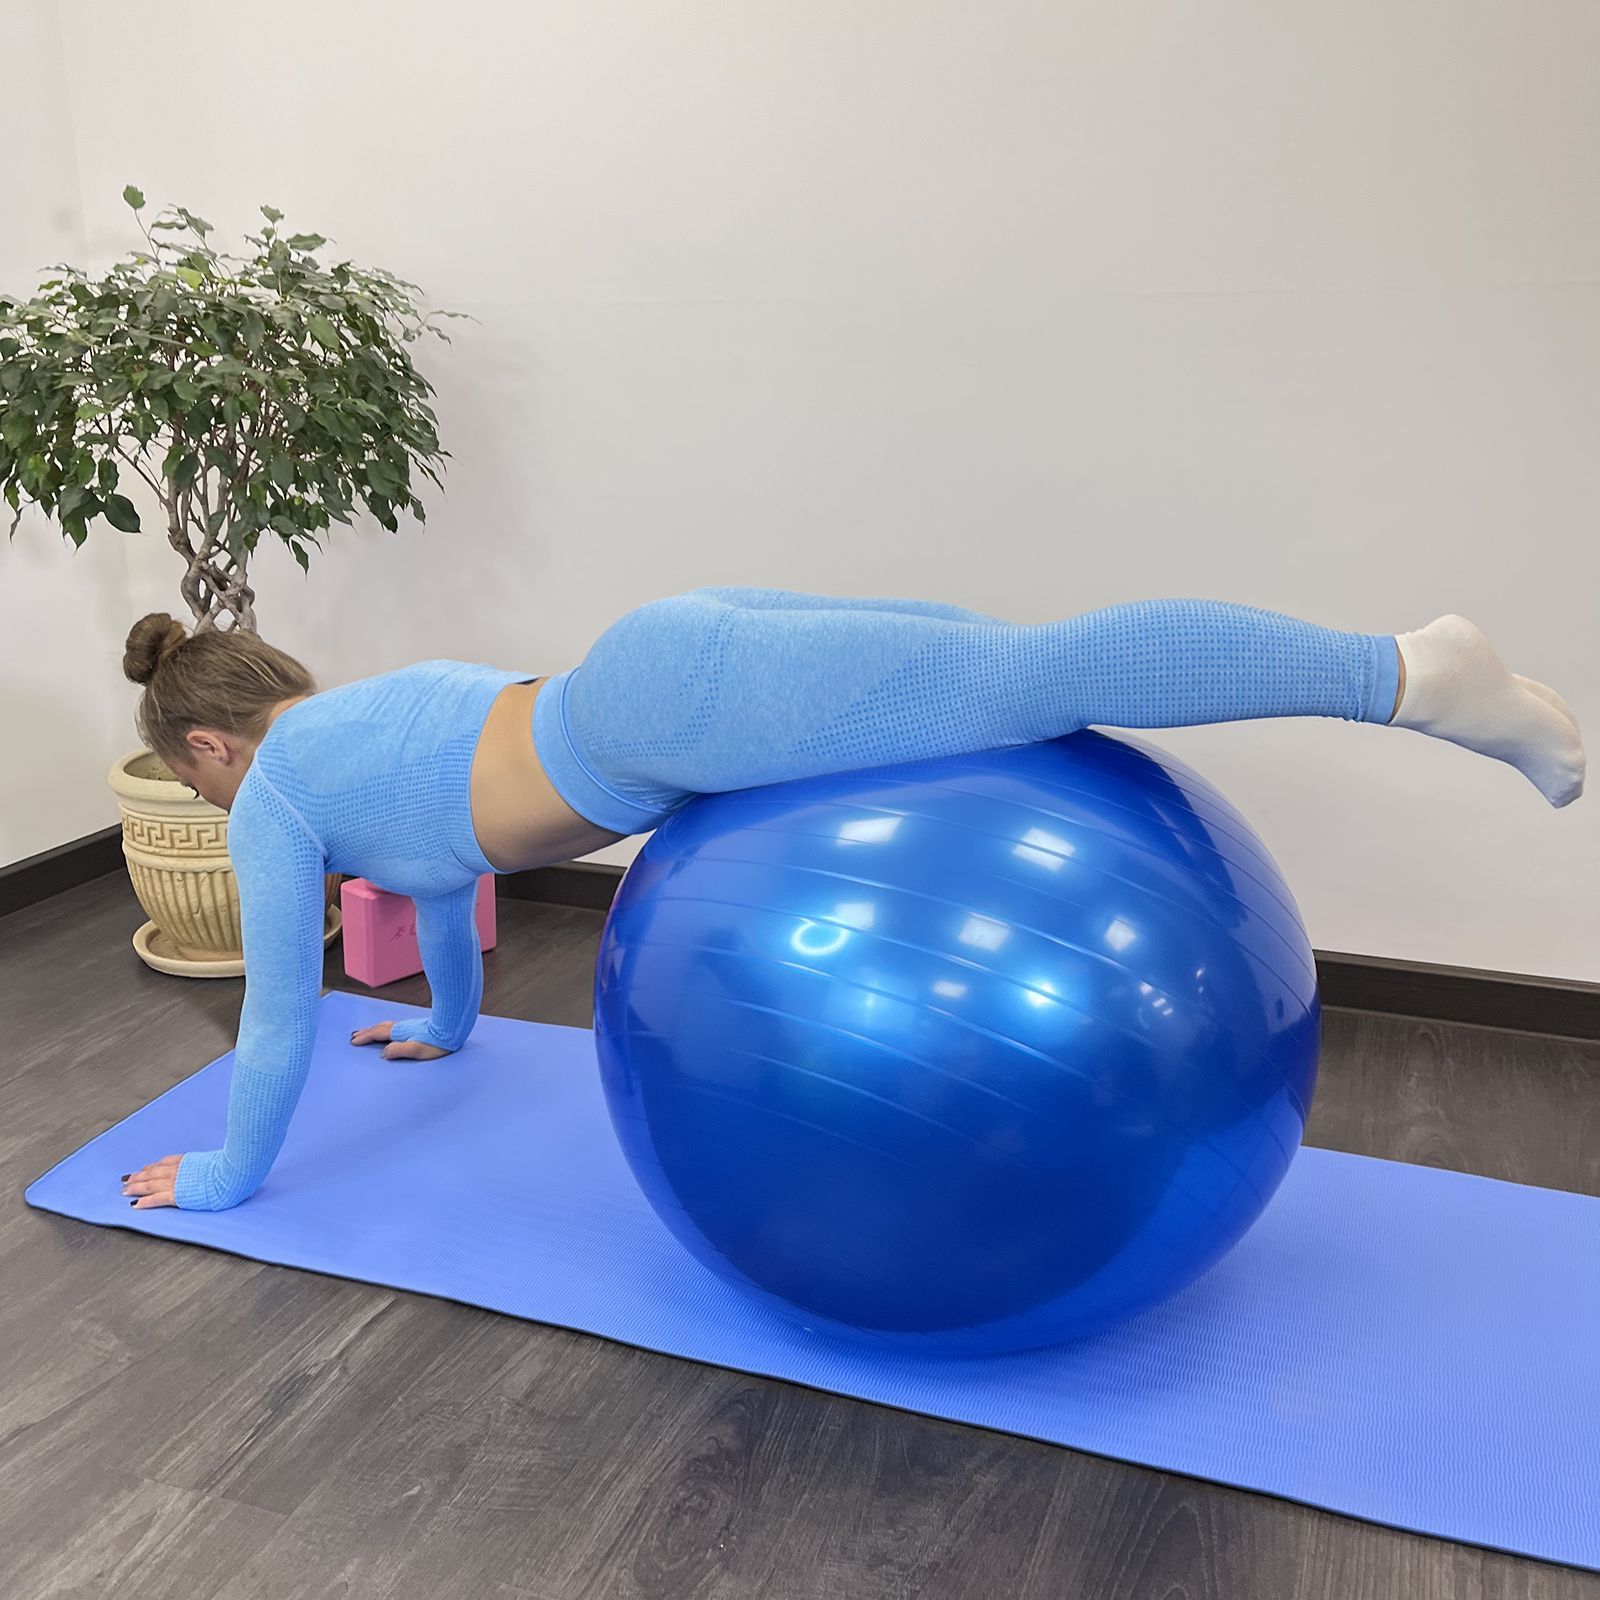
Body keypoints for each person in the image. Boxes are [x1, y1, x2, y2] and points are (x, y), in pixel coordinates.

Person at [116, 585, 1586, 1212]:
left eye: (197, 784)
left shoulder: (279, 798)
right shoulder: (353, 721)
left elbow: (278, 1013)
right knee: (1018, 658)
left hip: (655, 718)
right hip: (658, 661)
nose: (213, 804)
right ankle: (1405, 673)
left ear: (208, 750)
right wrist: (448, 1022)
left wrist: (228, 1175)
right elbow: (444, 869)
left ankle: (1405, 674)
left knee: (1043, 672)